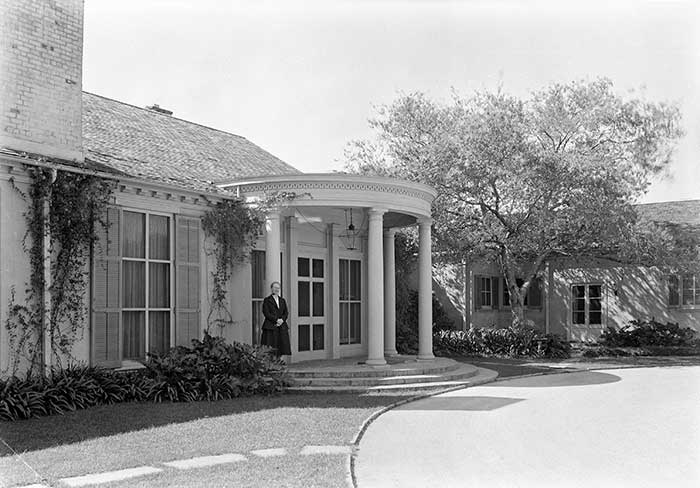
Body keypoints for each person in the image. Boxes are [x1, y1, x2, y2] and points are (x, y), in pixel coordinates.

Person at [260, 281, 291, 360]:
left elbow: (286, 312)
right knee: (270, 346)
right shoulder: (267, 300)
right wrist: (276, 320)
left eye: (278, 288)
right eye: (275, 288)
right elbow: (266, 313)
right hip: (270, 326)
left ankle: (278, 362)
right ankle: (271, 363)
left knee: (281, 346)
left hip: (281, 327)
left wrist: (282, 320)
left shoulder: (282, 300)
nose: (276, 289)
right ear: (271, 289)